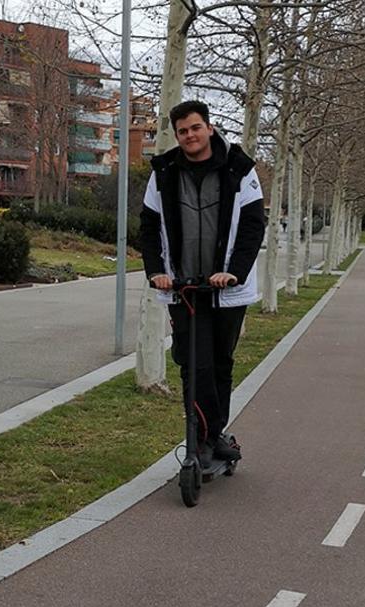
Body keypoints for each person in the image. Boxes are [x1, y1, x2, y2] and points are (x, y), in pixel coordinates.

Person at [139, 100, 266, 467]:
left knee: (220, 362)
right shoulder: (163, 172)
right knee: (194, 364)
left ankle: (213, 435)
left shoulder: (240, 169)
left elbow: (252, 225)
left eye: (195, 128)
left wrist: (235, 272)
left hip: (226, 288)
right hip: (182, 286)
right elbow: (149, 227)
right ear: (177, 136)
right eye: (182, 131)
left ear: (209, 128)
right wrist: (156, 271)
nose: (190, 136)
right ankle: (200, 441)